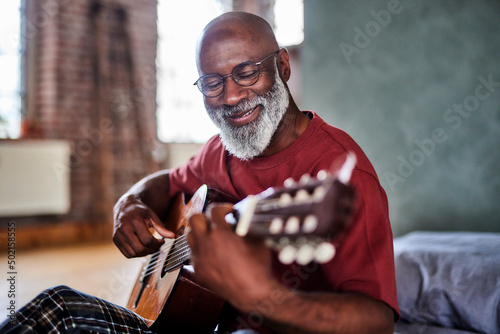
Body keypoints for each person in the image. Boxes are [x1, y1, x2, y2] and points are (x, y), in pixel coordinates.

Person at [1, 11, 398, 334]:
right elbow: (166, 184)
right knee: (57, 309)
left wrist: (264, 299)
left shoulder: (341, 175)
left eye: (247, 72)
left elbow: (377, 322)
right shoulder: (222, 149)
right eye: (212, 83)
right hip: (189, 322)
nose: (230, 96)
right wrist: (130, 204)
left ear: (282, 66)